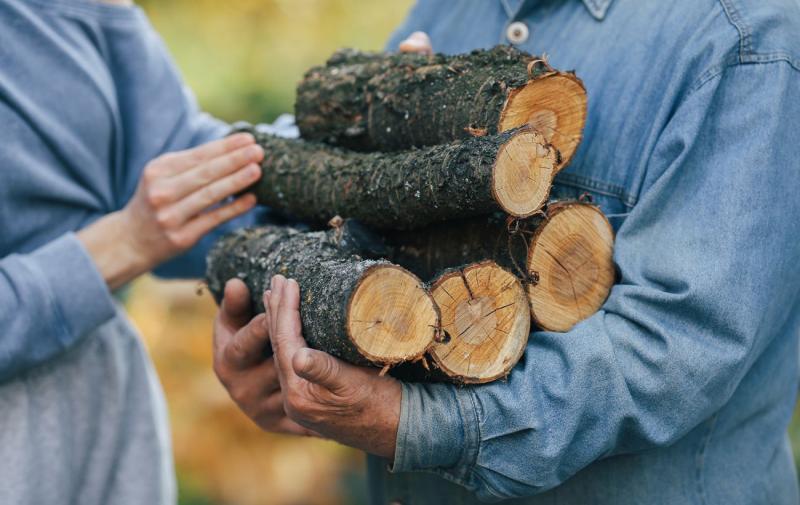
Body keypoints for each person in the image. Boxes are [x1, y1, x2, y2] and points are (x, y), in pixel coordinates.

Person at [212, 0, 800, 504]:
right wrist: (287, 358)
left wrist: (414, 424)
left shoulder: (746, 40)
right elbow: (361, 220)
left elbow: (677, 348)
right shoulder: (448, 10)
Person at [0, 0, 297, 503]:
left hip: (99, 418)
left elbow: (171, 161)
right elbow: (142, 226)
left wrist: (353, 137)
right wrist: (123, 243)